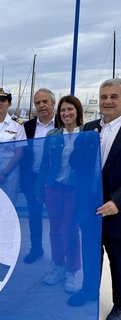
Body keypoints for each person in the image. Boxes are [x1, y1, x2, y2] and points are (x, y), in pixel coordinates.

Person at [69, 78, 121, 320]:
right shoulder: (89, 127)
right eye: (104, 97)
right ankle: (89, 291)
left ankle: (119, 304)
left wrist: (117, 201)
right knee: (91, 253)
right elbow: (74, 163)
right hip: (88, 206)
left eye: (114, 97)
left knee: (118, 259)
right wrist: (86, 148)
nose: (107, 101)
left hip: (115, 209)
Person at [36, 95, 84, 294]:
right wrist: (39, 187)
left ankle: (72, 270)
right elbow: (45, 163)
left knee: (71, 230)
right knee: (55, 229)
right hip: (53, 188)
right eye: (63, 110)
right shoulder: (53, 135)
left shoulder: (87, 133)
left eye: (70, 109)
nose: (66, 113)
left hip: (75, 190)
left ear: (77, 112)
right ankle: (58, 265)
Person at [21, 88, 57, 264]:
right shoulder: (27, 127)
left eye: (45, 102)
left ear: (53, 103)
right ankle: (36, 248)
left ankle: (60, 256)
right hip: (32, 179)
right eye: (38, 102)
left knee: (57, 219)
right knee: (34, 216)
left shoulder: (63, 125)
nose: (41, 105)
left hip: (57, 181)